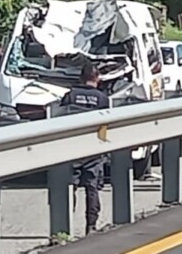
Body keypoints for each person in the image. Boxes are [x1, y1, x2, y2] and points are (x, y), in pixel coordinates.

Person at [60, 63, 109, 235]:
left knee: (69, 187)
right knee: (92, 187)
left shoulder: (70, 96)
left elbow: (60, 120)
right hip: (93, 148)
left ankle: (66, 227)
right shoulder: (102, 98)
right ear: (97, 78)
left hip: (73, 148)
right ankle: (91, 226)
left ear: (81, 77)